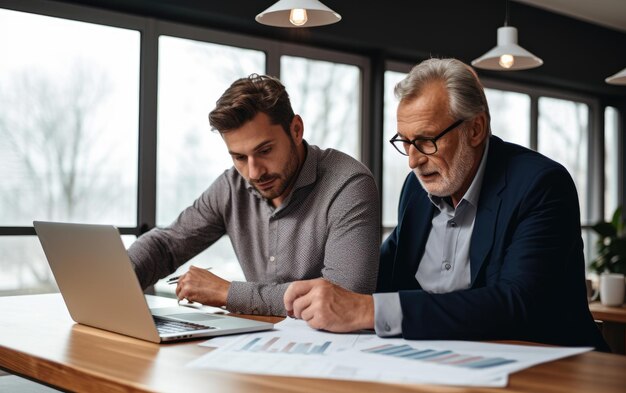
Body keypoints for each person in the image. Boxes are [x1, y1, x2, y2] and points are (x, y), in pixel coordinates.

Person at [284, 58, 609, 351]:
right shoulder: (415, 189)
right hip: (441, 363)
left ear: (475, 129)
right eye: (405, 142)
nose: (412, 161)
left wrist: (368, 310)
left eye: (425, 140)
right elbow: (381, 269)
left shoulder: (540, 184)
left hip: (551, 370)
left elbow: (517, 304)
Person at [128, 74, 380, 316]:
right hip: (257, 344)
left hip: (333, 350)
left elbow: (344, 296)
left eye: (265, 150)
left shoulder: (348, 185)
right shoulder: (231, 186)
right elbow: (166, 246)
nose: (254, 171)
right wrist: (113, 277)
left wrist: (228, 293)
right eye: (239, 157)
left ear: (296, 130)